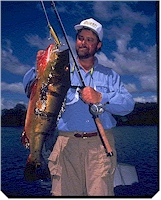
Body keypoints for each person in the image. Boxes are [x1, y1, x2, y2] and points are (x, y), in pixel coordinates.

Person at [23, 18, 135, 196]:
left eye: (90, 40)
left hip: (100, 146)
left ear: (98, 45)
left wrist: (101, 97)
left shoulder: (110, 75)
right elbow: (30, 89)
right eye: (81, 38)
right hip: (65, 145)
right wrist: (38, 67)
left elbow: (128, 105)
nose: (84, 42)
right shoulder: (61, 68)